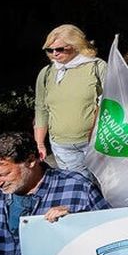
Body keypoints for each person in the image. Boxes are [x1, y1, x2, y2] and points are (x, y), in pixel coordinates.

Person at [32, 25, 106, 174]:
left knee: (109, 187)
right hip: (62, 146)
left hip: (96, 142)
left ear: (76, 45)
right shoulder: (46, 73)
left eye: (60, 49)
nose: (54, 53)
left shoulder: (97, 67)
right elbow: (41, 109)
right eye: (50, 50)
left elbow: (111, 102)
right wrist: (40, 143)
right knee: (79, 190)